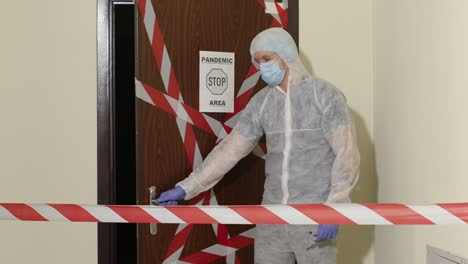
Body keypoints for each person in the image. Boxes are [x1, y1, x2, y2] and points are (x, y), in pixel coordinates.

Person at [157, 27, 360, 264]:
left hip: (314, 216)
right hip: (271, 217)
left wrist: (335, 207)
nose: (262, 66)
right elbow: (229, 150)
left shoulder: (324, 95)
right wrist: (186, 188)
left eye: (267, 58)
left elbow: (347, 154)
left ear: (286, 55)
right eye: (258, 61)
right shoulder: (262, 103)